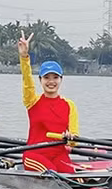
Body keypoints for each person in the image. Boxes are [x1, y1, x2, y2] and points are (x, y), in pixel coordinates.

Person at [18, 30, 79, 172]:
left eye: (55, 78)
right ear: (40, 80)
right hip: (34, 154)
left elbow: (74, 141)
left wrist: (71, 138)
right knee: (53, 174)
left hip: (59, 154)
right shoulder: (32, 100)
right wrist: (24, 57)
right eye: (47, 78)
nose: (51, 82)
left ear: (61, 80)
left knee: (77, 180)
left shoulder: (69, 105)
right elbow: (27, 81)